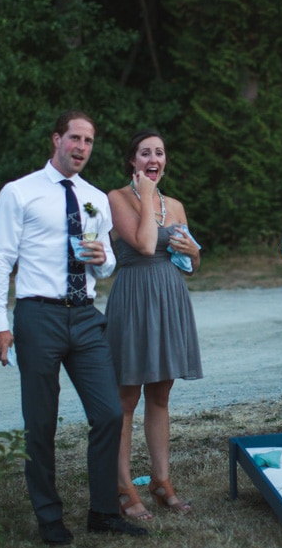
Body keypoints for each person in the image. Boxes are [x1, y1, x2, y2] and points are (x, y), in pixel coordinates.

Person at [0, 110, 148, 544]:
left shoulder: (94, 196)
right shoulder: (19, 193)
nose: (81, 148)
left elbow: (109, 262)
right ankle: (49, 517)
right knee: (41, 422)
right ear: (57, 140)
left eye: (89, 141)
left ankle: (102, 511)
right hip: (39, 316)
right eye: (74, 138)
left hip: (86, 315)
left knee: (109, 413)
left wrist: (103, 259)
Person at [105, 129, 203, 519]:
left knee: (161, 394)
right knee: (125, 400)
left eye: (160, 153)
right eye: (145, 152)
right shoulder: (116, 198)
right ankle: (124, 487)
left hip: (169, 299)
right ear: (133, 161)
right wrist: (145, 196)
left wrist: (195, 253)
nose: (154, 159)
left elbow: (190, 266)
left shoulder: (176, 205)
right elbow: (145, 245)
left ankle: (162, 481)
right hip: (133, 300)